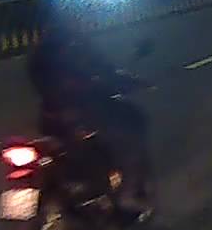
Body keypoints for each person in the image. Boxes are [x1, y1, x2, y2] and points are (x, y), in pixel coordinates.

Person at [27, 22, 153, 218]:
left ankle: (102, 191)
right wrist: (130, 82)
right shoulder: (77, 50)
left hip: (51, 120)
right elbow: (106, 73)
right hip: (83, 118)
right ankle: (124, 197)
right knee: (127, 135)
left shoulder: (40, 57)